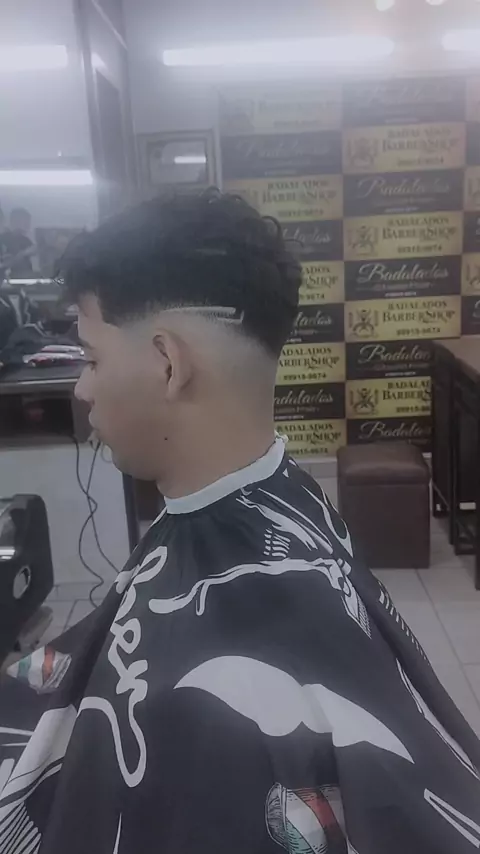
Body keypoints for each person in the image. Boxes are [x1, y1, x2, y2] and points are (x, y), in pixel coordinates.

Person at [1, 189, 480, 854]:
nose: (82, 388)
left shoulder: (216, 706)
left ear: (168, 363)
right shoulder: (286, 494)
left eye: (91, 358)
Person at [0, 207, 36, 278]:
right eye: (25, 222)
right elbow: (5, 263)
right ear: (14, 222)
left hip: (27, 280)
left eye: (28, 221)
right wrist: (25, 253)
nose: (28, 225)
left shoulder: (26, 240)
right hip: (8, 281)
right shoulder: (3, 240)